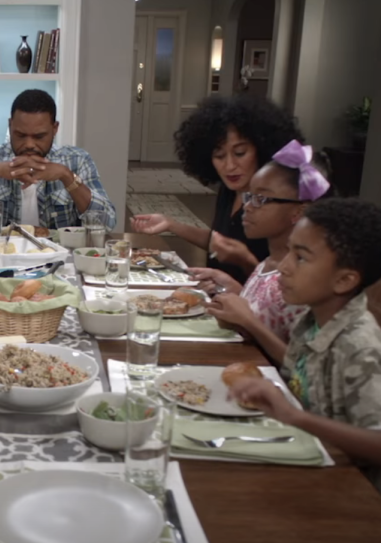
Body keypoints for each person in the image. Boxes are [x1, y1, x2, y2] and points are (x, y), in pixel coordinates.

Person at [229, 198, 381, 491]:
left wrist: (296, 417)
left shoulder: (360, 347)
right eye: (288, 251)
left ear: (344, 280)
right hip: (309, 466)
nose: (283, 268)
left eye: (301, 257)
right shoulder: (310, 321)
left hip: (354, 496)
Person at [131, 95, 304, 284]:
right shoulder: (229, 190)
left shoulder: (276, 202)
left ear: (261, 148)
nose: (230, 166)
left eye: (240, 153)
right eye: (219, 156)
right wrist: (171, 224)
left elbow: (279, 289)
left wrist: (245, 261)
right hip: (216, 299)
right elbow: (220, 242)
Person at [196, 140, 332, 363]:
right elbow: (269, 312)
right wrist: (235, 290)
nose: (247, 207)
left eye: (261, 199)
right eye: (250, 196)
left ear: (299, 211)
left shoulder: (302, 281)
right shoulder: (268, 261)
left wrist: (249, 322)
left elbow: (302, 369)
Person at [0, 89, 116, 231]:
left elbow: (106, 223)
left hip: (61, 265)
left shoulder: (77, 160)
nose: (29, 144)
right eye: (20, 135)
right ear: (10, 126)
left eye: (39, 136)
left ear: (55, 129)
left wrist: (67, 176)